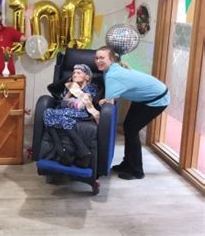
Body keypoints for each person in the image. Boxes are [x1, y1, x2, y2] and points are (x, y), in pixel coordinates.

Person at [95, 45, 170, 180]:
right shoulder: (110, 69)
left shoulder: (113, 74)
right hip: (145, 98)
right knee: (128, 127)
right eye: (96, 58)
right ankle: (127, 163)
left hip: (157, 99)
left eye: (102, 58)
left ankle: (136, 171)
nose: (98, 61)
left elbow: (110, 103)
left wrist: (102, 102)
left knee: (131, 129)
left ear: (111, 59)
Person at [43, 64, 100, 167]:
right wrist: (70, 93)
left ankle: (65, 151)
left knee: (62, 116)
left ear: (86, 77)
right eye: (73, 72)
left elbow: (84, 105)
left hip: (83, 113)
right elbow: (63, 104)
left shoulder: (91, 87)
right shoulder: (70, 87)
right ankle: (67, 149)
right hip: (67, 110)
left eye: (78, 73)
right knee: (48, 113)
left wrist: (78, 98)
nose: (74, 74)